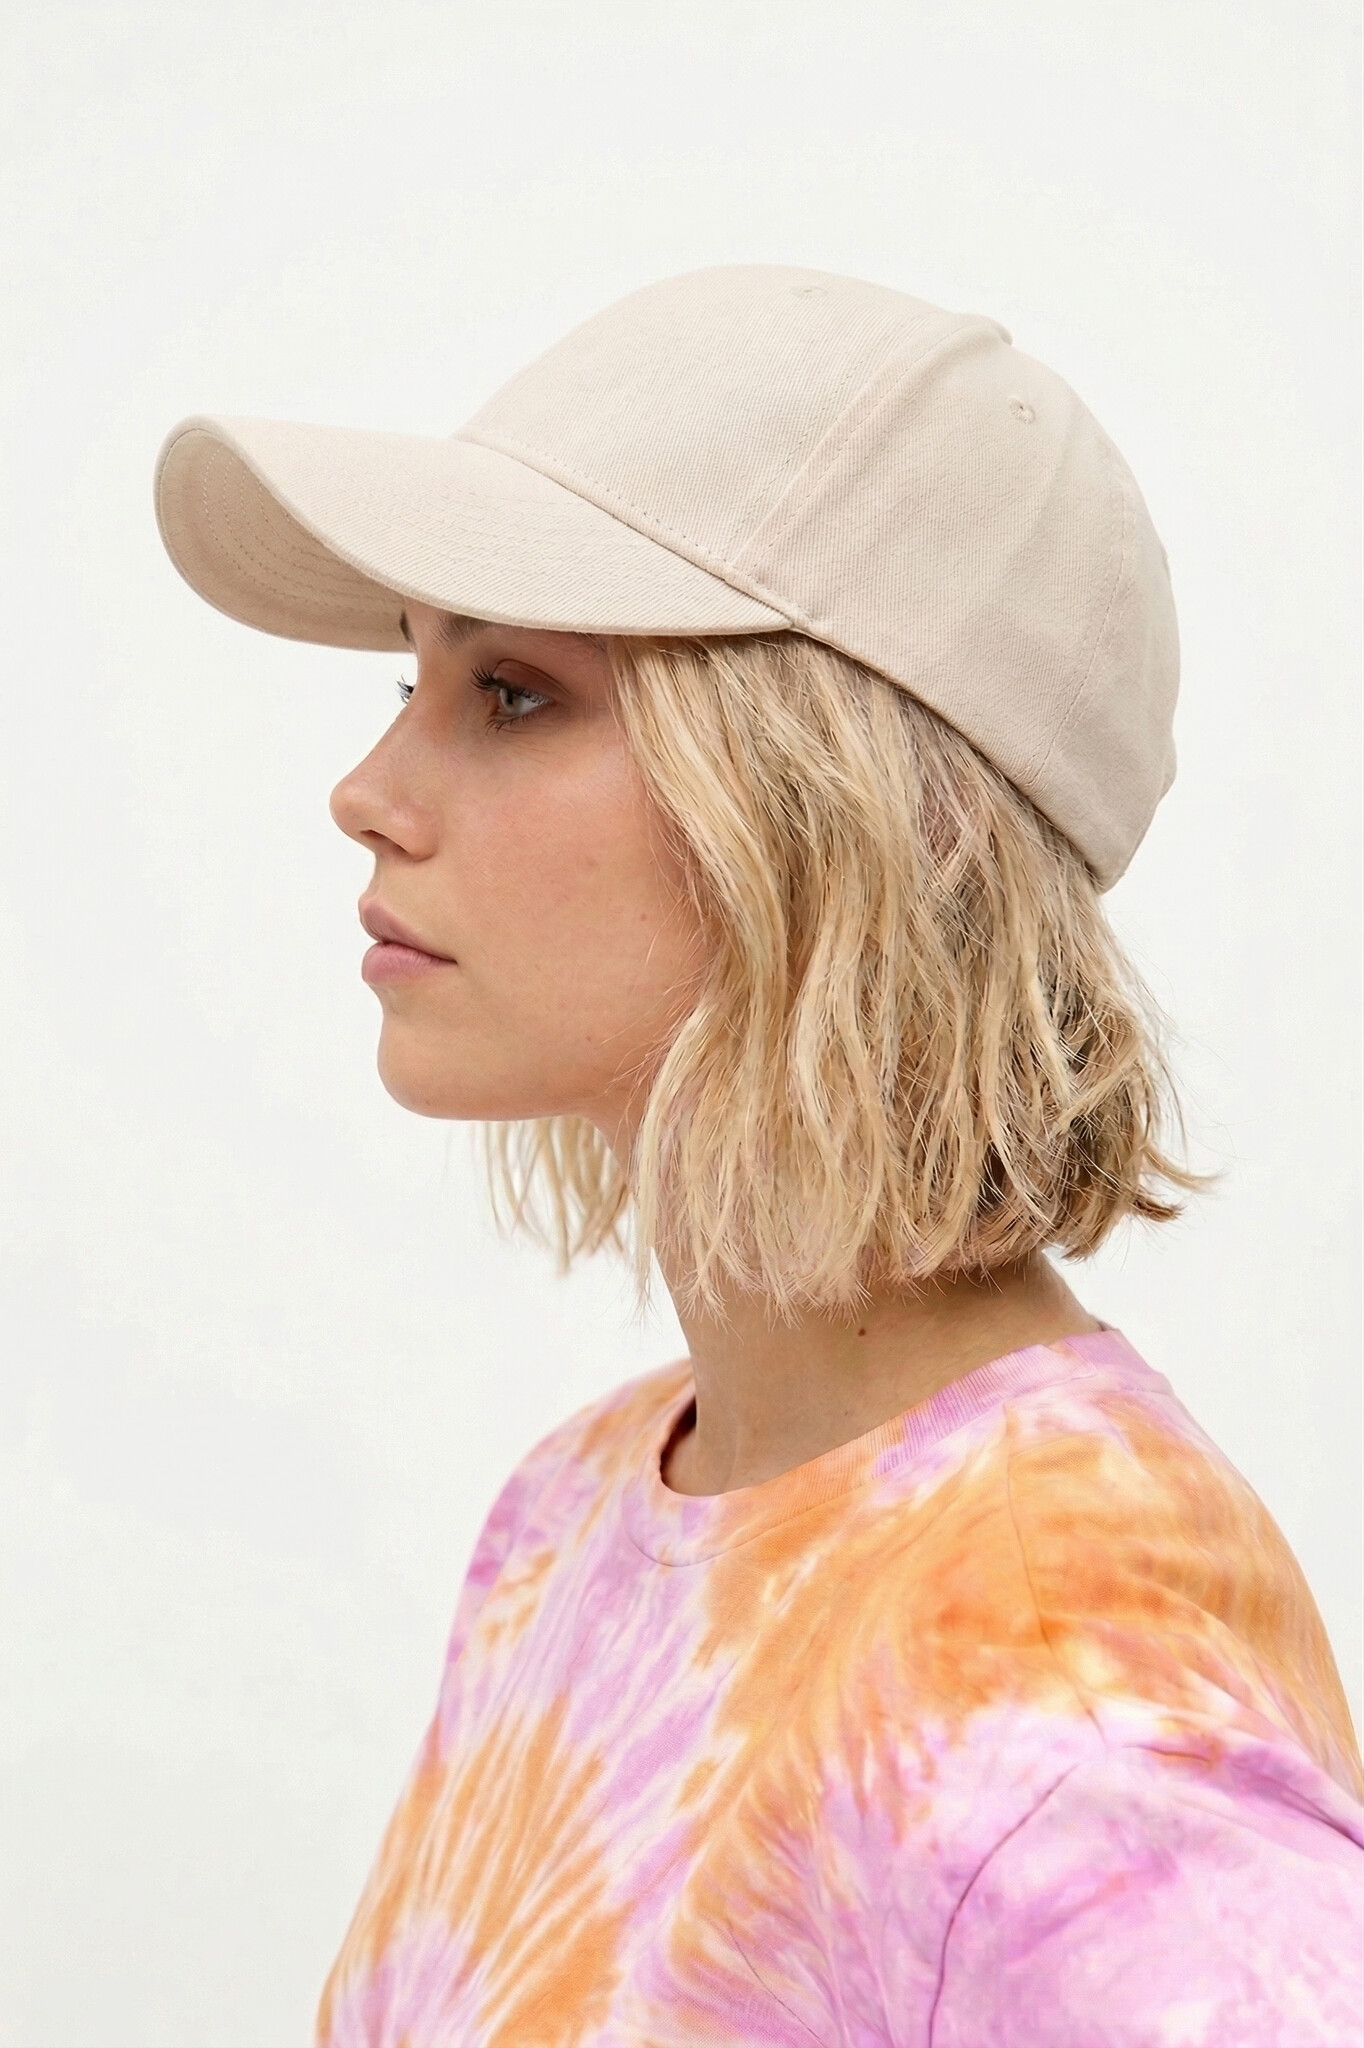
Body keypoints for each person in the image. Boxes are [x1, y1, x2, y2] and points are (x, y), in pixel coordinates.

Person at [153, 266, 1363, 2046]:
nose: (368, 789)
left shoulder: (1064, 1690)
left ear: (831, 812)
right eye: (414, 675)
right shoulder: (583, 1510)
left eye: (511, 695)